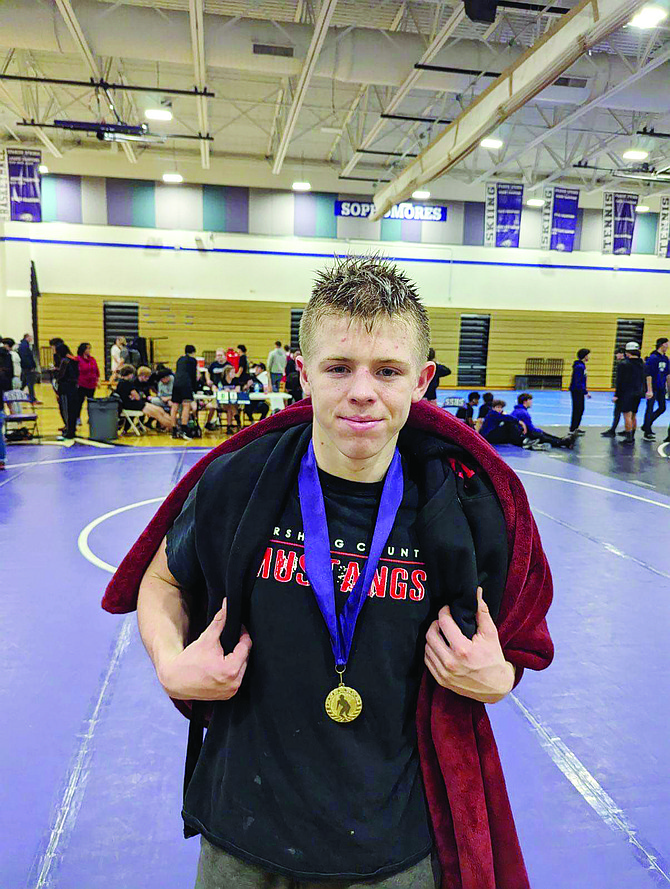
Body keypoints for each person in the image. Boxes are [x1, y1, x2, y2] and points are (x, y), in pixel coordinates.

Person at [119, 255, 554, 889]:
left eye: (387, 371)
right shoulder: (237, 481)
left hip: (395, 844)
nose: (361, 391)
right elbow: (161, 581)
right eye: (339, 368)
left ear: (422, 380)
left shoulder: (468, 506)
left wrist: (502, 676)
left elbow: (518, 635)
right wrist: (168, 662)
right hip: (245, 829)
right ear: (302, 374)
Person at [115, 365, 175, 433]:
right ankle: (173, 427)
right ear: (129, 374)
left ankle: (173, 426)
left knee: (159, 410)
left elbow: (135, 396)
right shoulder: (127, 383)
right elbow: (137, 397)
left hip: (134, 403)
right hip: (134, 404)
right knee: (158, 413)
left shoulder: (121, 383)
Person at [612, 343, 646, 446]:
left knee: (627, 415)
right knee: (634, 415)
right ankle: (633, 435)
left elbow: (620, 381)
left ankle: (629, 438)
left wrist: (617, 395)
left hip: (627, 393)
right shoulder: (642, 364)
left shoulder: (624, 364)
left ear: (627, 352)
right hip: (638, 392)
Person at [641, 337, 669, 442]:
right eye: (667, 343)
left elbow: (667, 374)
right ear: (662, 345)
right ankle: (647, 431)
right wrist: (649, 390)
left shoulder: (665, 359)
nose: (668, 346)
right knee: (649, 408)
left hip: (661, 388)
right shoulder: (653, 358)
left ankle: (646, 425)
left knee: (662, 408)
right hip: (653, 387)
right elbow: (648, 374)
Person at [54, 342, 80, 443]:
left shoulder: (65, 361)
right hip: (74, 388)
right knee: (73, 410)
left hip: (65, 389)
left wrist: (55, 372)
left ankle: (69, 431)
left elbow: (61, 376)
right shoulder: (74, 359)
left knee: (66, 411)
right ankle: (72, 430)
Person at [172, 345, 199, 438]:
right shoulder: (193, 360)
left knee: (175, 405)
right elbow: (193, 375)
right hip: (186, 383)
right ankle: (184, 428)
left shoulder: (180, 359)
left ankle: (174, 429)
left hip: (176, 383)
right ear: (193, 352)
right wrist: (195, 388)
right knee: (186, 405)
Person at [601, 347, 626, 437]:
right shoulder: (631, 364)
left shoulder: (622, 365)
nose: (616, 356)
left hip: (623, 393)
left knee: (618, 412)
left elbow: (620, 381)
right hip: (631, 392)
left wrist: (617, 395)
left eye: (617, 354)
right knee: (629, 413)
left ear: (621, 353)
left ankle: (613, 430)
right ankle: (629, 430)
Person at [75, 342, 100, 423]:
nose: (89, 350)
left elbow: (96, 370)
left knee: (91, 403)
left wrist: (98, 380)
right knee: (79, 402)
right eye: (87, 348)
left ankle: (91, 417)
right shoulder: (77, 359)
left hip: (92, 385)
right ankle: (77, 418)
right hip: (82, 384)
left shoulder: (92, 359)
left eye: (90, 348)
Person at [568, 348, 590, 434]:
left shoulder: (582, 366)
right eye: (587, 355)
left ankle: (575, 427)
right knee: (577, 409)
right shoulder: (579, 367)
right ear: (584, 356)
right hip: (577, 391)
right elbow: (578, 381)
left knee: (580, 409)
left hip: (579, 390)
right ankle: (573, 428)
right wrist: (585, 391)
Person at [18, 333, 41, 405]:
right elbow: (26, 357)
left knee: (24, 383)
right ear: (27, 337)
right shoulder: (24, 346)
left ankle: (17, 395)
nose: (32, 339)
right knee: (30, 383)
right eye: (31, 337)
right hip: (27, 367)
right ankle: (32, 399)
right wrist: (31, 366)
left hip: (25, 367)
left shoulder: (24, 345)